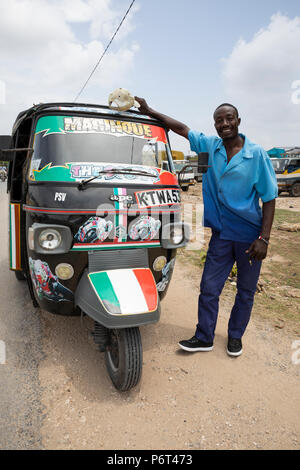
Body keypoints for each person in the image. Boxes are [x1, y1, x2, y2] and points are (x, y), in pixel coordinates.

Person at [135, 97, 278, 357]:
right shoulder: (211, 147)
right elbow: (181, 128)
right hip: (221, 234)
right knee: (209, 288)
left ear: (238, 121)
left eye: (229, 118)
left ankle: (235, 337)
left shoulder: (256, 154)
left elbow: (269, 197)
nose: (224, 124)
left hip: (248, 236)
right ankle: (204, 337)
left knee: (245, 292)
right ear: (215, 125)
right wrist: (150, 111)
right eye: (219, 120)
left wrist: (264, 239)